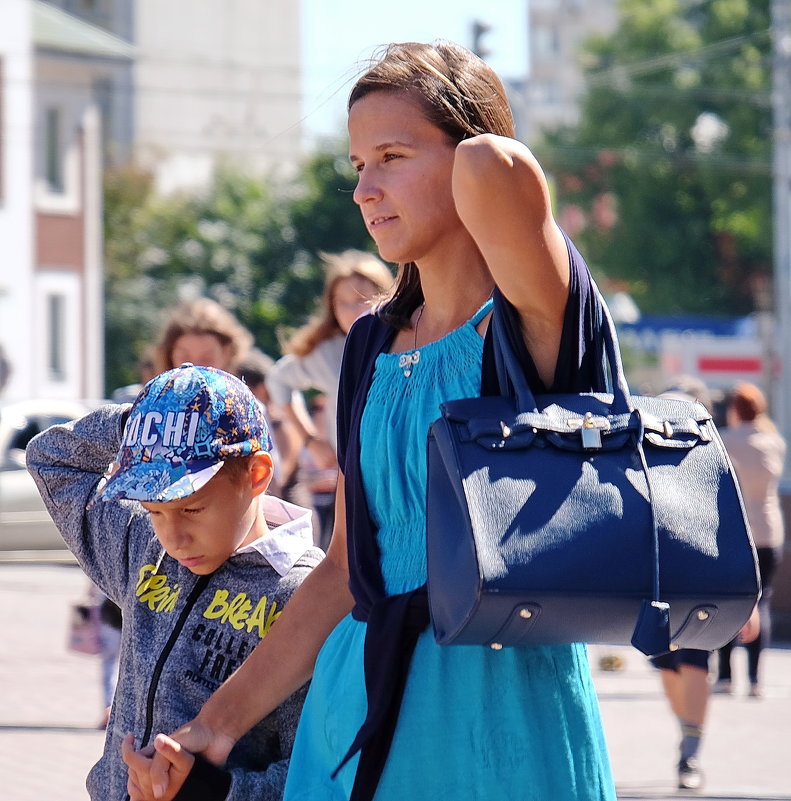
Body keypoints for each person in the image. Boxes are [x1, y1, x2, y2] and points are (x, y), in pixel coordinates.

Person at [126, 41, 616, 801]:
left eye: (391, 156)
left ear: (462, 158)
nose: (364, 190)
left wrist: (464, 116)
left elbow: (498, 169)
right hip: (355, 706)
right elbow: (340, 576)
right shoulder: (369, 342)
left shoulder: (529, 319)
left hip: (500, 707)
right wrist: (210, 731)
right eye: (356, 164)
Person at [26, 363, 323, 800]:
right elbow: (52, 458)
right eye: (153, 511)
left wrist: (214, 791)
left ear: (257, 475)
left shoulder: (308, 596)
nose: (174, 536)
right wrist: (143, 423)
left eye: (192, 509)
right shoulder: (144, 548)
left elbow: (314, 772)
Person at [715, 382, 786, 698]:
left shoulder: (725, 441)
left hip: (734, 531)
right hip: (769, 530)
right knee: (763, 601)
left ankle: (726, 676)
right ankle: (756, 679)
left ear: (734, 409)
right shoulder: (774, 442)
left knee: (729, 601)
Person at [153, 297, 254, 375]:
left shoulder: (246, 402)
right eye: (184, 358)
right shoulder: (147, 401)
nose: (194, 368)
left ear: (227, 354)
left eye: (207, 359)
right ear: (169, 356)